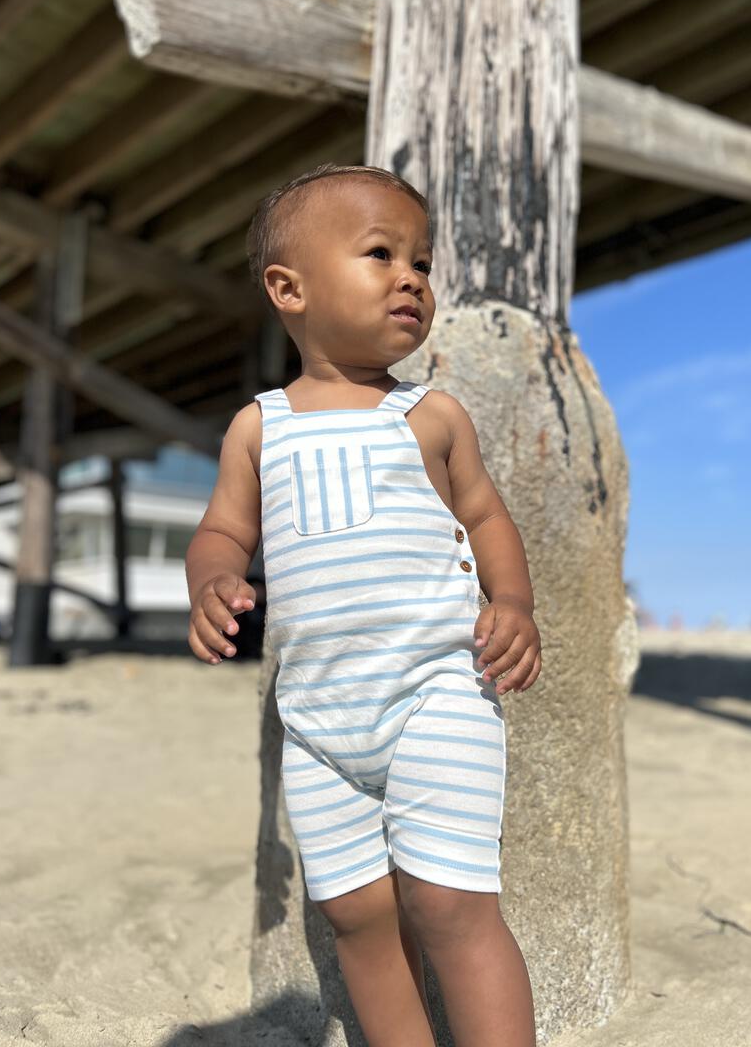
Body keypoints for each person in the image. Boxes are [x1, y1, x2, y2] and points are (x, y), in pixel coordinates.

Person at [185, 162, 541, 1046]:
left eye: (421, 262)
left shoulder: (431, 417)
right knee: (357, 918)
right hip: (316, 721)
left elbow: (486, 515)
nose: (412, 278)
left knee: (450, 903)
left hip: (437, 694)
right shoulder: (259, 426)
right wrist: (212, 580)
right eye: (381, 254)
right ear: (289, 288)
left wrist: (515, 601)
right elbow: (223, 532)